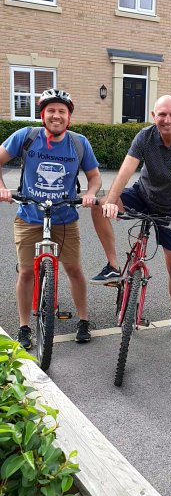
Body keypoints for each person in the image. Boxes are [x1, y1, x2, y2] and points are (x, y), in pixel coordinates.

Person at [90, 94, 171, 341]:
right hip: (142, 196)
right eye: (162, 114)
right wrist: (111, 202)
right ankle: (113, 266)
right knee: (99, 206)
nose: (167, 119)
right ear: (154, 116)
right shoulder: (145, 136)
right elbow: (126, 170)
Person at [0, 88, 101, 349]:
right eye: (51, 111)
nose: (56, 116)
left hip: (65, 217)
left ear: (69, 117)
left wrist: (90, 194)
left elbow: (94, 177)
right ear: (43, 114)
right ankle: (24, 327)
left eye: (62, 111)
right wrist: (2, 187)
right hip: (29, 216)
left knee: (74, 269)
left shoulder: (79, 143)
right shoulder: (27, 137)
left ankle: (83, 319)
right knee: (25, 272)